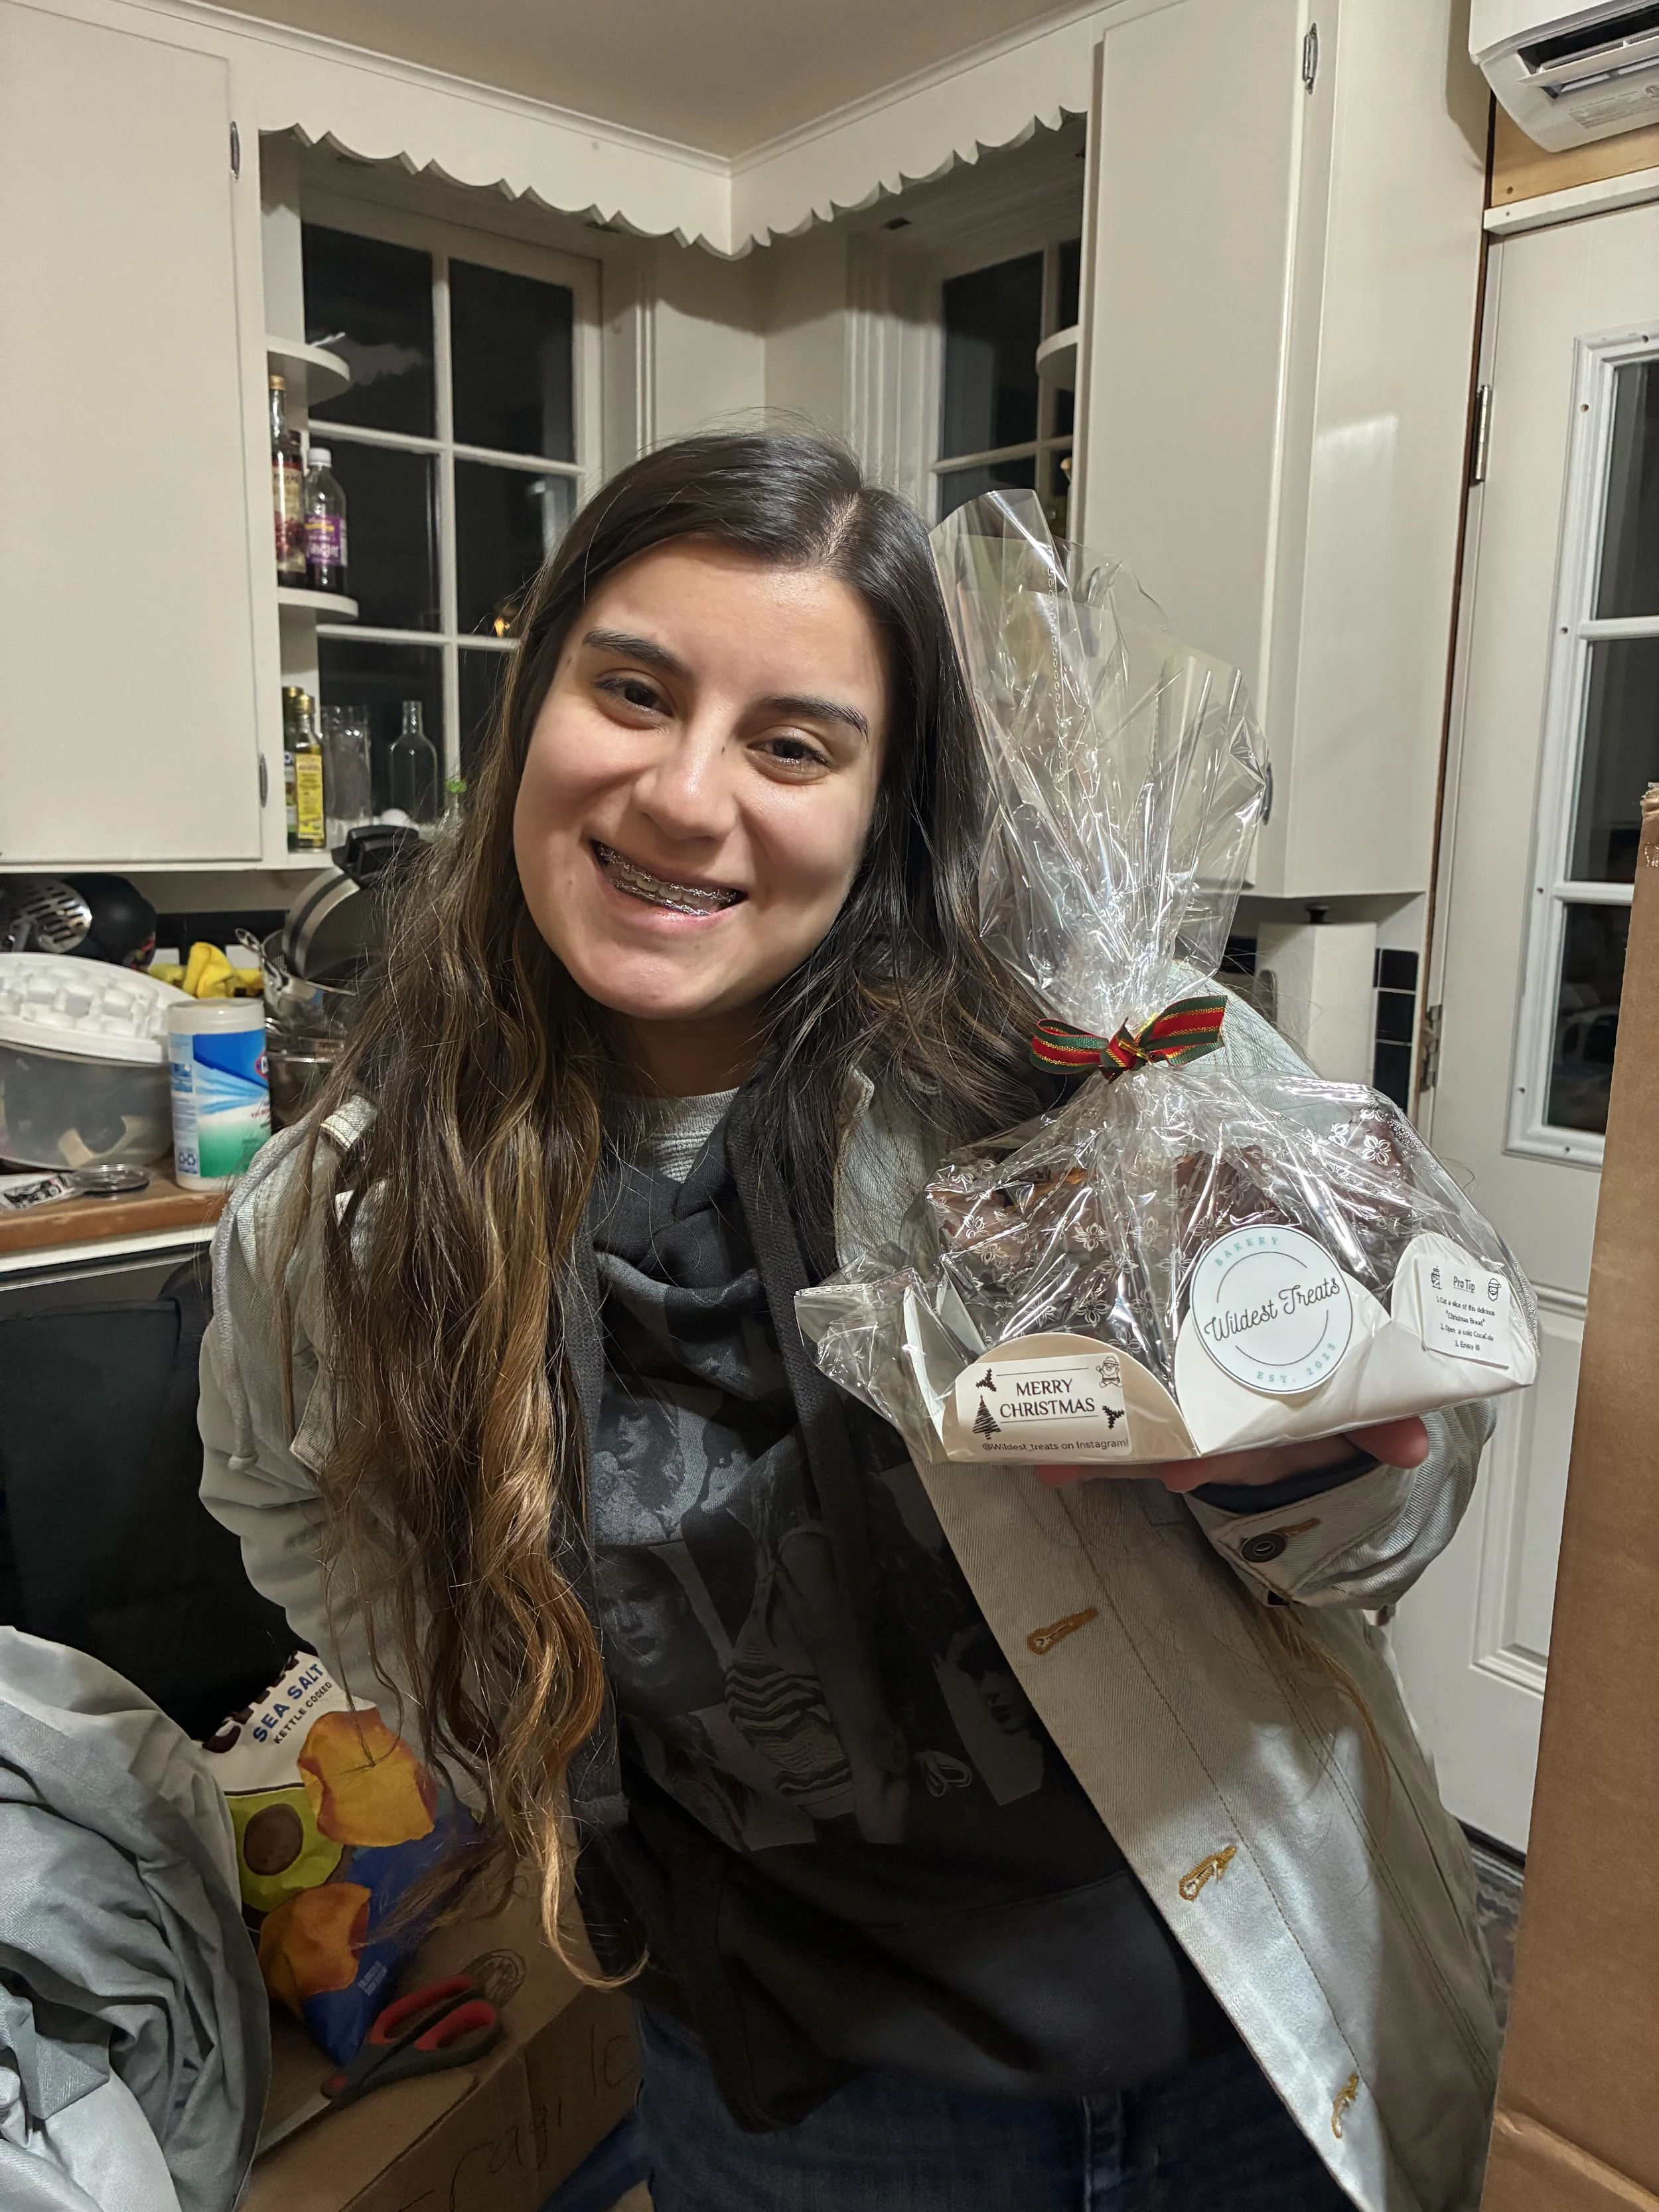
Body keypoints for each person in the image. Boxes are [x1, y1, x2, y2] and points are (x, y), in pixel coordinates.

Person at [200, 432, 1500, 2211]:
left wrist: (1305, 1467)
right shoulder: (345, 1212)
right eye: (633, 691)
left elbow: (1401, 1512)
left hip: (1247, 2031)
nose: (682, 791)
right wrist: (495, 1721)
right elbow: (278, 1494)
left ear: (883, 801)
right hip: (803, 2102)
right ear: (536, 702)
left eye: (791, 742)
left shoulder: (1094, 1071)